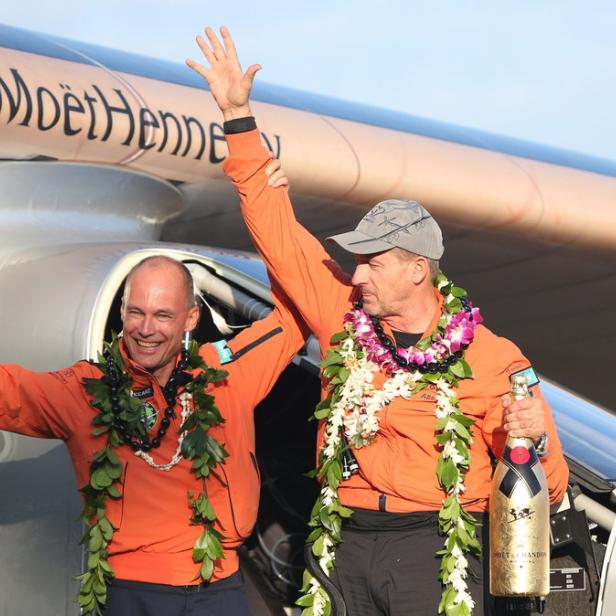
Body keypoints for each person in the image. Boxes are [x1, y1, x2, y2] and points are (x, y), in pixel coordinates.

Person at [187, 27, 570, 616]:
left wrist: (535, 435)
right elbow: (279, 233)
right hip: (342, 541)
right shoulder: (343, 317)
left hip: (434, 551)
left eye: (373, 263)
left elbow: (551, 486)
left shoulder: (493, 357)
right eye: (356, 261)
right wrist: (238, 118)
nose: (357, 274)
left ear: (418, 270)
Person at [0, 253, 307, 616]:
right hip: (133, 596)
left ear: (191, 318)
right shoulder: (84, 390)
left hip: (221, 590)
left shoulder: (225, 374)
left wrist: (258, 193)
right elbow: (10, 390)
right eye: (136, 312)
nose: (146, 329)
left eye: (162, 315)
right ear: (122, 312)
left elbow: (299, 310)